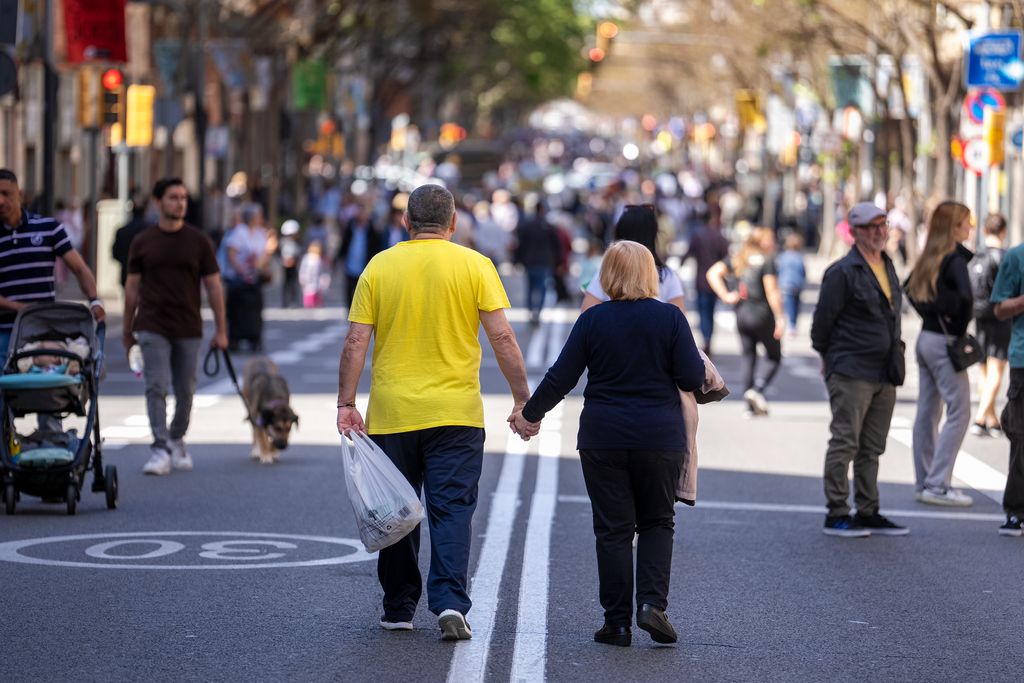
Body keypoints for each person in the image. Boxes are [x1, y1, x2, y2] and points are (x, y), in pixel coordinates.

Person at [335, 184, 531, 640]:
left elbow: (355, 341)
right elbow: (503, 337)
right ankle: (449, 603)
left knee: (396, 509)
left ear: (407, 222)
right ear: (454, 222)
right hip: (457, 414)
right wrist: (523, 400)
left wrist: (347, 403)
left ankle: (399, 606)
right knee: (452, 510)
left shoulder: (380, 266)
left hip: (393, 414)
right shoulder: (475, 265)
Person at [511, 240, 704, 647]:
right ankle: (651, 604)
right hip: (660, 437)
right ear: (650, 274)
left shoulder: (593, 320)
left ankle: (616, 624)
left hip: (603, 437)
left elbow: (561, 377)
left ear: (608, 275)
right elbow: (690, 376)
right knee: (656, 521)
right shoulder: (670, 318)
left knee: (613, 530)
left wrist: (530, 415)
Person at [811, 202, 908, 537]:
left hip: (885, 369)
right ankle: (837, 511)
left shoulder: (887, 264)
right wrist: (829, 358)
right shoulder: (842, 272)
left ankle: (868, 509)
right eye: (872, 226)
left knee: (873, 446)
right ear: (855, 232)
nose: (880, 231)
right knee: (845, 441)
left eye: (883, 224)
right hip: (852, 368)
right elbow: (821, 323)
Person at [122, 177, 228, 475]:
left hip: (188, 326)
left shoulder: (199, 241)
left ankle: (177, 437)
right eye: (173, 197)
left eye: (183, 197)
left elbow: (214, 286)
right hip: (152, 324)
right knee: (156, 386)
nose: (180, 202)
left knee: (186, 391)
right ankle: (159, 448)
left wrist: (221, 330)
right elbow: (132, 287)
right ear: (158, 202)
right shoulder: (143, 241)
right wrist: (127, 328)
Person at [903, 201, 975, 507]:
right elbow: (966, 299)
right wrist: (957, 327)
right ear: (954, 228)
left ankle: (925, 481)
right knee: (960, 410)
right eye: (966, 223)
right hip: (944, 341)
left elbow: (908, 289)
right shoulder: (955, 259)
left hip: (927, 337)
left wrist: (932, 313)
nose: (970, 228)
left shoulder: (931, 256)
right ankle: (937, 482)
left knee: (928, 410)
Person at [0, 168, 106, 361]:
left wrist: (95, 300)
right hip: (4, 332)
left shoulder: (49, 228)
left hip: (44, 328)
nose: (1, 201)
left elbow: (79, 268)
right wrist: (18, 307)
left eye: (6, 194)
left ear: (20, 195)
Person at [706, 226, 784, 416]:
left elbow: (713, 273)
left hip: (742, 314)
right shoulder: (767, 260)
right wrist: (780, 317)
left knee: (749, 357)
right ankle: (756, 390)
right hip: (762, 314)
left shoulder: (739, 257)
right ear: (762, 242)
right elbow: (771, 290)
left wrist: (726, 295)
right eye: (770, 239)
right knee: (774, 356)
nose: (774, 242)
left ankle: (748, 406)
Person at [583, 204, 685, 313]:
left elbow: (586, 313)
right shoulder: (667, 276)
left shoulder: (607, 273)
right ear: (653, 236)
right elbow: (679, 318)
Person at [990, 236, 1024, 536]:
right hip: (1023, 360)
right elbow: (999, 308)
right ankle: (1015, 510)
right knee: (1022, 437)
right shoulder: (1016, 257)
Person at [969, 213, 1012, 438]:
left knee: (984, 368)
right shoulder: (1006, 257)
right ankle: (979, 418)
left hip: (980, 317)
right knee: (997, 369)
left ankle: (992, 420)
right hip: (1001, 319)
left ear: (985, 231)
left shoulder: (977, 256)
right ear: (1003, 231)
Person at [222, 206, 274, 352]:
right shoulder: (239, 232)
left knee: (255, 309)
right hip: (238, 278)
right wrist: (242, 269)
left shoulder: (260, 233)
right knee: (236, 310)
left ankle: (254, 338)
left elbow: (265, 253)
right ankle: (235, 339)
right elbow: (231, 253)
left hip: (255, 277)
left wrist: (259, 265)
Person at [681, 217, 729, 355]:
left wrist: (680, 263)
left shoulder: (698, 236)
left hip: (701, 281)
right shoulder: (719, 237)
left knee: (703, 313)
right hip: (715, 283)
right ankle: (708, 338)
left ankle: (706, 338)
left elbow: (688, 253)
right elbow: (726, 258)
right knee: (710, 312)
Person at [514, 200, 562, 326]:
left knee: (530, 287)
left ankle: (531, 312)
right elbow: (556, 246)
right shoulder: (549, 227)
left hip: (530, 261)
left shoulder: (528, 226)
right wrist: (559, 262)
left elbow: (521, 245)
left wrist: (517, 260)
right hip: (545, 262)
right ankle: (537, 313)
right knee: (541, 288)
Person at [337, 204, 380, 310]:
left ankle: (360, 313)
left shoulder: (371, 230)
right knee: (349, 292)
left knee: (362, 293)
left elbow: (375, 247)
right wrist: (337, 258)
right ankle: (349, 313)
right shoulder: (351, 227)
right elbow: (344, 244)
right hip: (350, 265)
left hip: (364, 267)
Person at [112, 196, 154, 289]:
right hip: (146, 276)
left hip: (126, 273)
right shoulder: (151, 231)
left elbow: (115, 254)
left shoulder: (122, 231)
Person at [776, 232, 807, 336]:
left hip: (785, 284)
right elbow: (803, 271)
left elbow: (778, 270)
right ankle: (792, 324)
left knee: (788, 305)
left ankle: (789, 324)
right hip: (796, 284)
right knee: (795, 305)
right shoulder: (799, 257)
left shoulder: (782, 257)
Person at [279, 220, 303, 308]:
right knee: (286, 284)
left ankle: (293, 301)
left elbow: (298, 253)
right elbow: (280, 253)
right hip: (285, 266)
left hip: (294, 266)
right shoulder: (283, 242)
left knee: (293, 284)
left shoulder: (296, 243)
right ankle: (285, 302)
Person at [298, 241, 329, 308]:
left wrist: (325, 280)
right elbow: (303, 269)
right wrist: (302, 278)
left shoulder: (319, 259)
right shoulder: (307, 258)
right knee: (308, 294)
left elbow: (323, 271)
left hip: (317, 281)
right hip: (307, 280)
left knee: (316, 296)